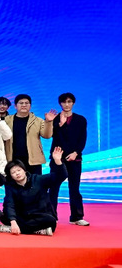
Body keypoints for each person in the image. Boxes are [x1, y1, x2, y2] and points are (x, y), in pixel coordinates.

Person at [0, 147, 67, 236]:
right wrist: (13, 222)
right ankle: (36, 230)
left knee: (51, 221)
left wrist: (58, 161)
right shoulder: (11, 186)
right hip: (22, 215)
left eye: (19, 170)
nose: (17, 173)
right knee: (4, 217)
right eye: (13, 172)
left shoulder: (38, 179)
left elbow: (60, 177)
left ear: (24, 170)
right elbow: (9, 204)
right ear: (11, 176)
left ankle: (10, 229)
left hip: (38, 215)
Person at [49, 92, 88, 225]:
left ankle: (77, 217)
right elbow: (52, 136)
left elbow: (82, 138)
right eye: (64, 102)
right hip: (57, 157)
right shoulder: (54, 119)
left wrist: (76, 153)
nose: (66, 104)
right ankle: (51, 216)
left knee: (74, 187)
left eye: (69, 102)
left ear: (73, 103)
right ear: (60, 103)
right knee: (54, 187)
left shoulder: (81, 119)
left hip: (75, 158)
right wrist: (60, 124)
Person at [3, 94, 56, 175]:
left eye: (26, 103)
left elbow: (47, 136)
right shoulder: (7, 120)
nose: (24, 105)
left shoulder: (38, 120)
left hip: (33, 160)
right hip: (13, 159)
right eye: (21, 103)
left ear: (30, 106)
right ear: (15, 106)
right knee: (14, 182)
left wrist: (48, 122)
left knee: (35, 182)